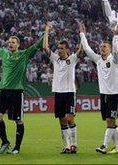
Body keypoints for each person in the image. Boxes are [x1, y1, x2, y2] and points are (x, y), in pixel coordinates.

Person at [0, 27, 45, 155]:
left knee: (18, 121)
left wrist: (46, 32)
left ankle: (16, 148)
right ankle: (5, 142)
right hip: (4, 92)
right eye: (9, 42)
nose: (10, 44)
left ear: (18, 45)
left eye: (13, 42)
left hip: (17, 92)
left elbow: (38, 45)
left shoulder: (24, 54)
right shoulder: (4, 54)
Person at [79, 23, 118, 154]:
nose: (102, 48)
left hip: (115, 95)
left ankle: (104, 146)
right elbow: (87, 49)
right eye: (101, 46)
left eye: (104, 46)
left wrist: (115, 37)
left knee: (110, 121)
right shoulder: (98, 60)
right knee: (110, 122)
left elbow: (116, 51)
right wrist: (82, 34)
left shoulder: (115, 60)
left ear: (109, 49)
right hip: (103, 95)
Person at [43, 22, 83, 154]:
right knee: (61, 121)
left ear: (67, 50)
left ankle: (74, 145)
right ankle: (66, 146)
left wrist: (82, 34)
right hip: (58, 93)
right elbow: (45, 47)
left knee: (69, 118)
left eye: (61, 48)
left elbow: (81, 51)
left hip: (70, 93)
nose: (58, 50)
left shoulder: (72, 59)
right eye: (58, 48)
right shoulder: (55, 59)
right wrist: (47, 30)